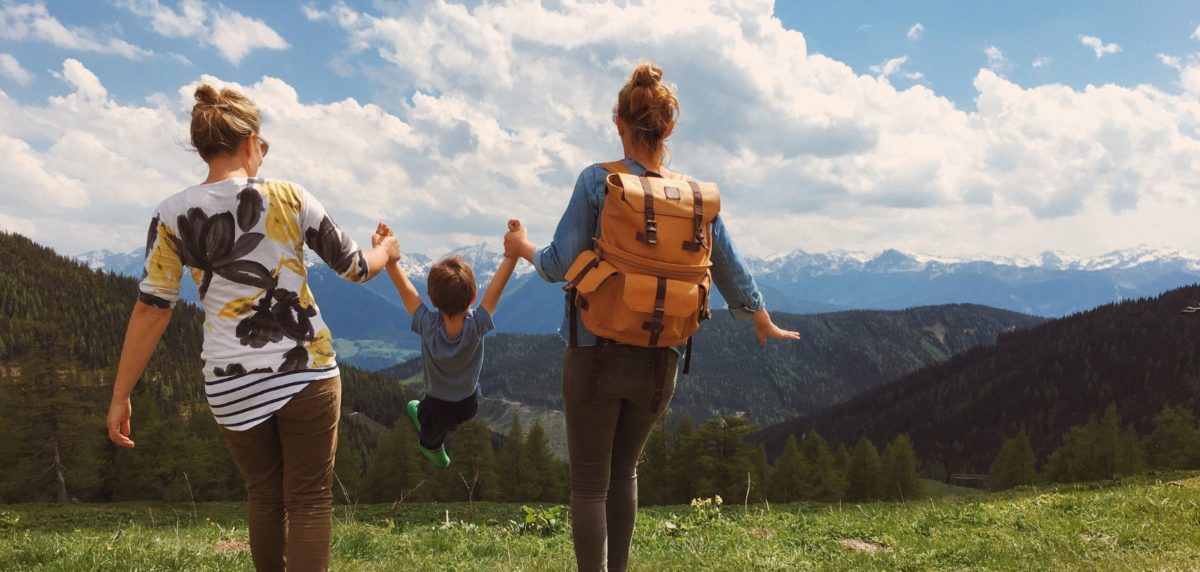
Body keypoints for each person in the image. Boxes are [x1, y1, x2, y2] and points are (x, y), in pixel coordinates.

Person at [504, 62, 801, 571]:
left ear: (618, 123)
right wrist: (759, 316)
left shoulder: (598, 181)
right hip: (663, 359)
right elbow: (727, 265)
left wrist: (521, 246)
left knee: (590, 483)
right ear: (669, 129)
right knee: (624, 475)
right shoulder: (695, 199)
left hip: (595, 352)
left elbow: (556, 265)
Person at [105, 83, 400, 572]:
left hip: (229, 378)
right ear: (249, 142)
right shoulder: (290, 196)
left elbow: (153, 308)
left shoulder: (171, 214)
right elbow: (354, 267)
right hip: (306, 369)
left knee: (263, 495)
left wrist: (121, 394)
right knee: (308, 500)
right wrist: (387, 253)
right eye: (262, 146)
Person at [374, 221, 520, 467]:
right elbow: (497, 285)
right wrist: (512, 253)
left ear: (430, 298)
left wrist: (390, 258)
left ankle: (433, 447)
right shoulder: (478, 324)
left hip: (436, 406)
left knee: (429, 433)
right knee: (469, 394)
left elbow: (405, 289)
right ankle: (428, 418)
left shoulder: (427, 325)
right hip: (469, 403)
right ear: (474, 297)